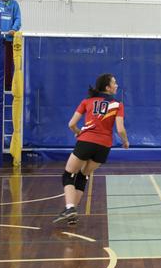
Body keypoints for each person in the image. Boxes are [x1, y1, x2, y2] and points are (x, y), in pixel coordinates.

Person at [53, 73, 129, 225]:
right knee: (83, 175)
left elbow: (71, 124)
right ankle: (72, 214)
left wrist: (79, 132)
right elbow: (120, 129)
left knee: (68, 174)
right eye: (114, 83)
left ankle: (70, 208)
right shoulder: (118, 104)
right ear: (107, 87)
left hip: (86, 141)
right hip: (104, 146)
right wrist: (125, 142)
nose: (117, 85)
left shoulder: (87, 101)